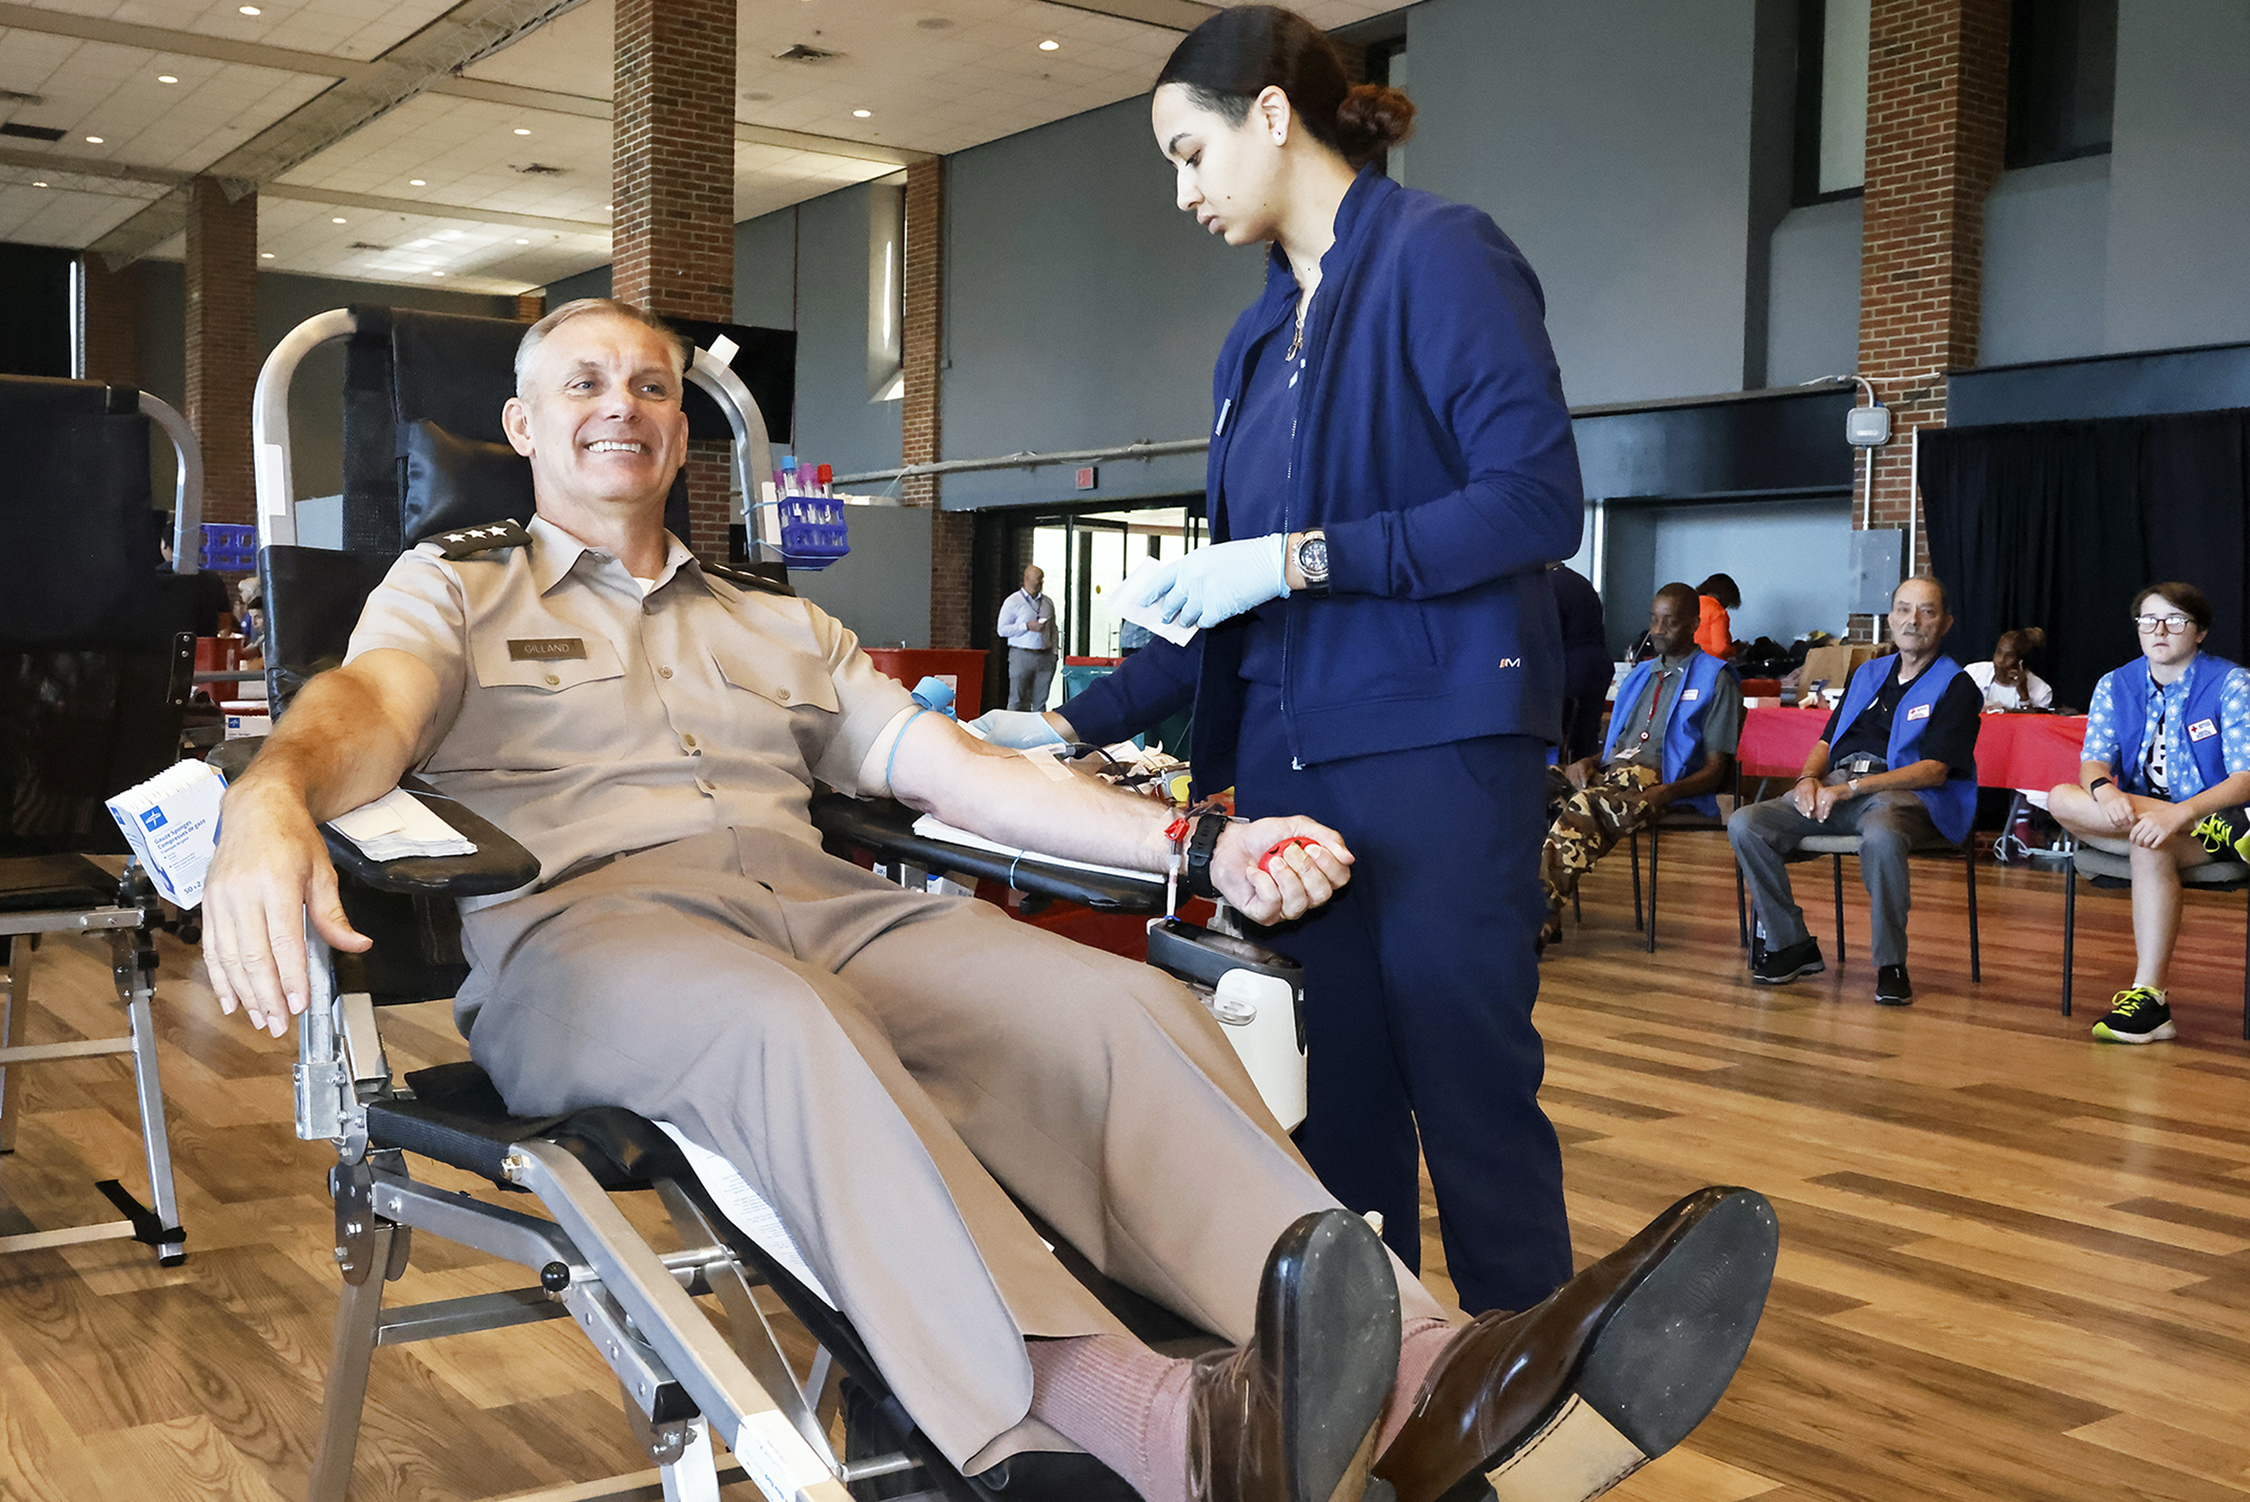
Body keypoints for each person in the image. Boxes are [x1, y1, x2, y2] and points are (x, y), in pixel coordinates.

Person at [199, 298, 1773, 1502]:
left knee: (1109, 1004)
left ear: (687, 431)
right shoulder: (452, 581)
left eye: (655, 385)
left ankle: (1445, 1378)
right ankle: (1151, 1426)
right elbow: (367, 706)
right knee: (782, 1027)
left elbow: (947, 769)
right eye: (587, 385)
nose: (627, 405)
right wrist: (272, 796)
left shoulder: (775, 620)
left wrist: (1190, 850)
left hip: (820, 906)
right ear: (521, 427)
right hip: (585, 936)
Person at [970, 6, 1584, 1322]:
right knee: (1334, 1099)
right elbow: (1223, 605)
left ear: (1267, 111)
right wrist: (1071, 722)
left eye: (1191, 153)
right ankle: (1380, 1382)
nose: (1183, 190)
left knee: (1465, 1082)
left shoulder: (1439, 258)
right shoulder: (1251, 344)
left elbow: (1532, 504)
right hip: (1298, 776)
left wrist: (1295, 557)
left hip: (1439, 754)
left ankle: (1529, 1408)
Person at [1727, 575, 1980, 1006]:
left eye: (1927, 611)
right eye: (1903, 608)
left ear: (1946, 623)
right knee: (1746, 822)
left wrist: (1855, 788)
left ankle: (1890, 963)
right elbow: (1826, 742)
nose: (1912, 620)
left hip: (1906, 798)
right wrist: (1808, 779)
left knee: (1881, 835)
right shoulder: (1868, 674)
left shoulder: (1956, 686)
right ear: (1890, 617)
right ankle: (1791, 944)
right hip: (1839, 786)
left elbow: (1934, 771)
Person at [2046, 584, 2250, 1044]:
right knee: (2061, 797)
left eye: (2175, 621)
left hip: (2209, 818)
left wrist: (2185, 814)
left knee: (2148, 838)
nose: (2159, 630)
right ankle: (2217, 829)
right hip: (2186, 825)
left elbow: (2245, 779)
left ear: (2200, 633)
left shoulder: (2231, 683)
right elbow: (2093, 762)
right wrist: (2103, 790)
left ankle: (2149, 997)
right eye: (2148, 620)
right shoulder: (2115, 683)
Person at [1540, 583, 1741, 947]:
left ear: (1694, 623)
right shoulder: (1639, 674)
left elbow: (1718, 770)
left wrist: (1668, 791)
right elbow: (1615, 746)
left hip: (1661, 784)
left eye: (1670, 622)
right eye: (1654, 620)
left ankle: (1538, 915)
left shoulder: (1717, 678)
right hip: (1612, 775)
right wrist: (1587, 761)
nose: (1658, 631)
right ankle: (1510, 903)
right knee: (1528, 786)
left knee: (1586, 804)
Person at [1551, 561, 1610, 765]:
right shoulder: (1579, 581)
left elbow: (1549, 638)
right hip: (1600, 665)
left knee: (1563, 737)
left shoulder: (1549, 586)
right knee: (1586, 738)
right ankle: (1585, 787)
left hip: (1572, 669)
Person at [997, 563, 1058, 710]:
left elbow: (1053, 628)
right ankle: (1011, 731)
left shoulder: (1047, 602)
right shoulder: (1013, 601)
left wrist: (1055, 652)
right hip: (1021, 655)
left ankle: (1038, 732)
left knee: (1040, 703)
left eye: (1042, 579)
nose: (1041, 582)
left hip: (1045, 656)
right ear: (1026, 578)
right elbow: (1002, 630)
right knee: (1016, 699)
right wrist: (1026, 626)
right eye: (1038, 579)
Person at [1964, 627, 2054, 711]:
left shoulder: (2042, 691)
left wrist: (2024, 697)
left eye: (2009, 656)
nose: (2000, 660)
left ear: (2021, 662)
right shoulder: (1973, 672)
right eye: (1999, 652)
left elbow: (2034, 724)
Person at [1694, 573, 1740, 659]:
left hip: (1689, 663)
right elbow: (1720, 648)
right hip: (1711, 664)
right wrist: (1735, 650)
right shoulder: (1717, 611)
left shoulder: (1692, 604)